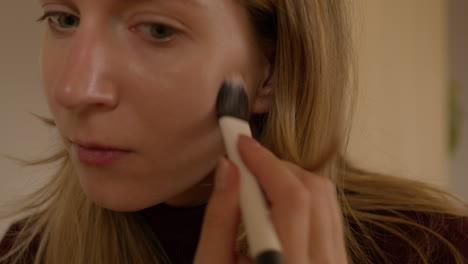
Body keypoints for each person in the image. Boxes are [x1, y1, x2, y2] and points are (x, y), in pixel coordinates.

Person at [1, 0, 467, 263]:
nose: (73, 89)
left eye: (158, 30)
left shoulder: (438, 251)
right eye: (64, 18)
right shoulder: (26, 254)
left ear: (270, 72)